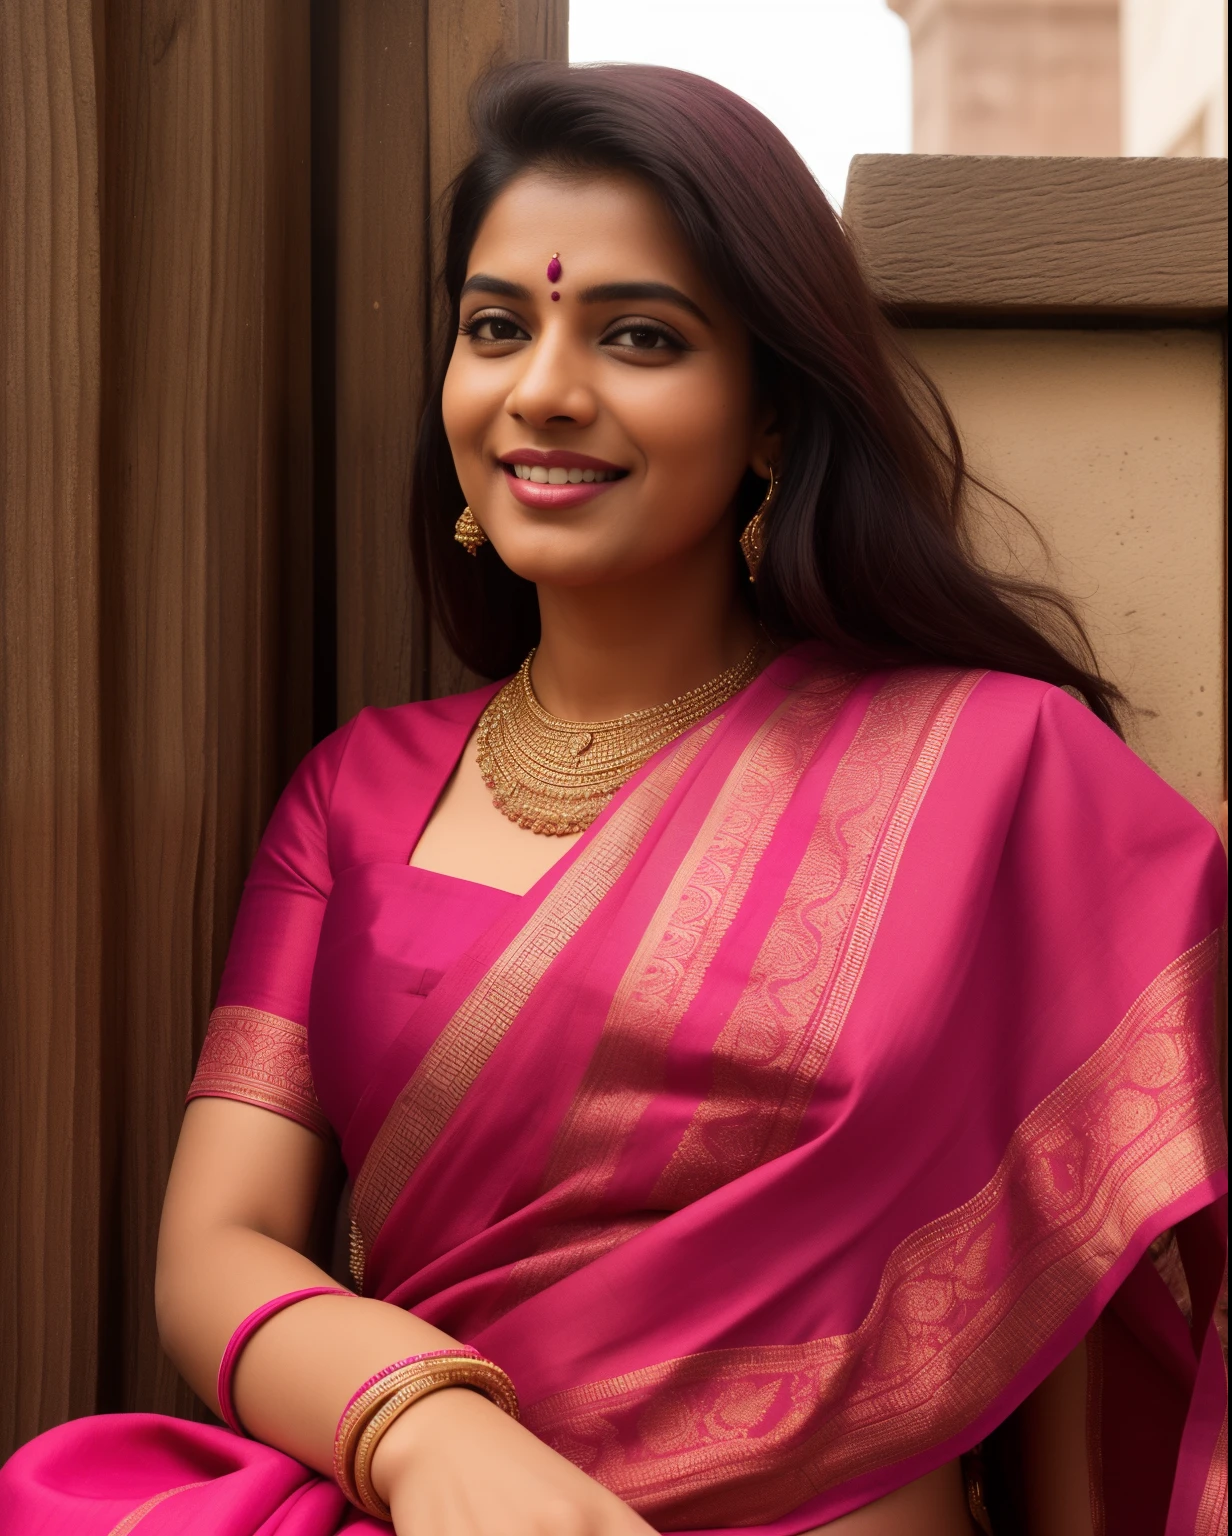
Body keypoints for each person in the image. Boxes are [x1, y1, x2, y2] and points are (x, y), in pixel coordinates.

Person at [1, 62, 1225, 1536]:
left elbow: (1105, 1265)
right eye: (496, 328)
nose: (544, 391)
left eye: (637, 335)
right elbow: (220, 1243)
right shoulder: (357, 795)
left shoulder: (996, 773)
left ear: (771, 413)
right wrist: (429, 1433)